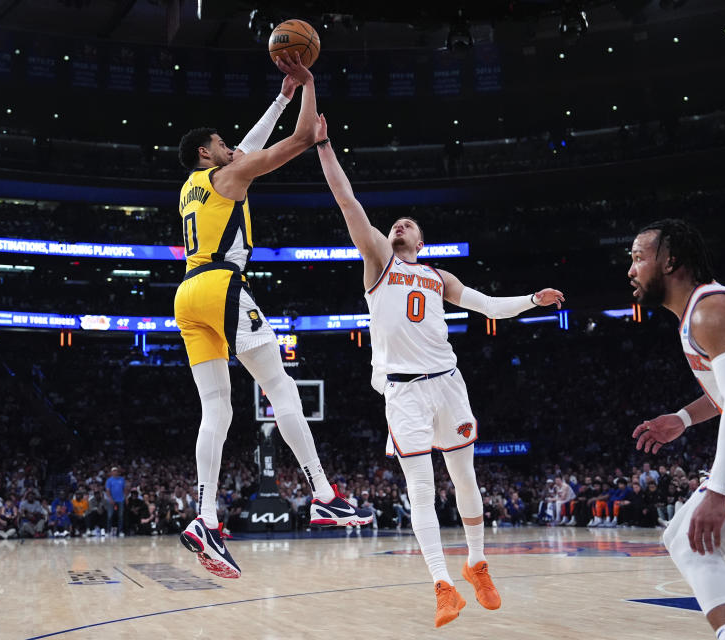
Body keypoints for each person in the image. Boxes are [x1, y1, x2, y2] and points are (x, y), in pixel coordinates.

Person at [316, 128, 564, 627]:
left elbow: (488, 305)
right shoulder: (377, 265)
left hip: (448, 381)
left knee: (466, 477)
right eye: (396, 223)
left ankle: (476, 564)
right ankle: (442, 585)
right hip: (404, 390)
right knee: (422, 489)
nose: (401, 223)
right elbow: (347, 200)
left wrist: (531, 301)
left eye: (410, 223)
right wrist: (323, 147)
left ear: (421, 241)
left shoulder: (438, 277)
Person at [174, 52, 371, 579]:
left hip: (187, 296)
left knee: (216, 409)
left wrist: (279, 97)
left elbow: (249, 147)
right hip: (222, 285)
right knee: (280, 387)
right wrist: (308, 86)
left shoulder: (192, 187)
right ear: (205, 151)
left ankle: (205, 517)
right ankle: (324, 494)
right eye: (221, 144)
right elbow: (302, 138)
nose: (231, 147)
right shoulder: (228, 174)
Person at [629, 218, 725, 640]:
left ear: (670, 261)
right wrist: (681, 419)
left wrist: (718, 490)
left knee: (692, 542)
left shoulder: (711, 311)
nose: (631, 270)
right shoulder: (702, 311)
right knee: (685, 540)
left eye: (639, 258)